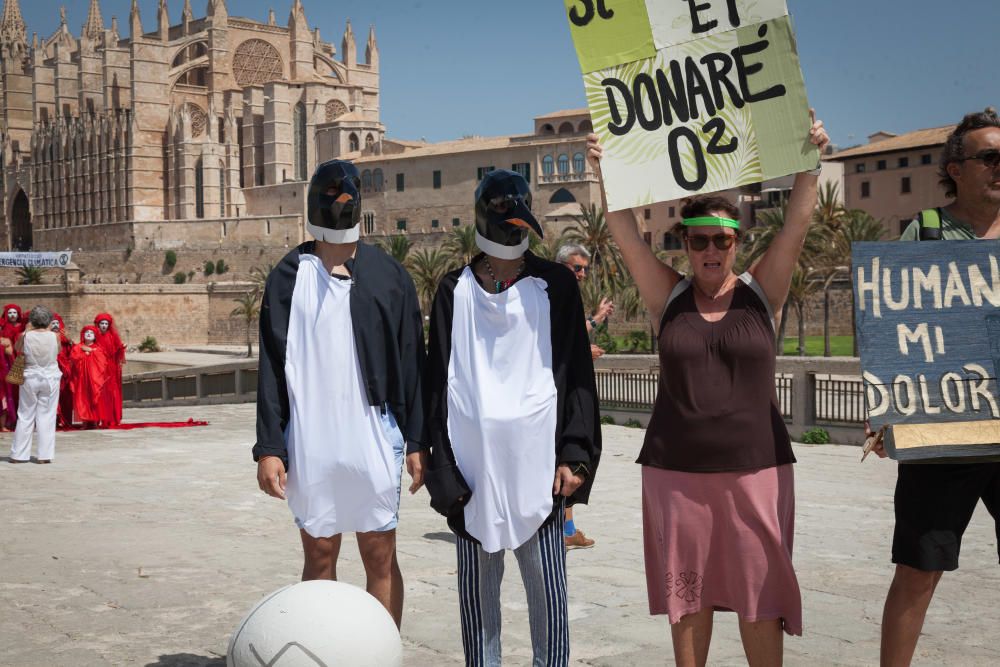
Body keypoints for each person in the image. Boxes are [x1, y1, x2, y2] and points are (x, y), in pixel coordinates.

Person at [587, 111, 829, 666]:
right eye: (699, 242)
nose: (711, 250)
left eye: (722, 239)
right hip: (676, 473)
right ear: (686, 245)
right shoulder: (666, 296)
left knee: (760, 598)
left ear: (738, 241)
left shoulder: (761, 292)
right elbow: (623, 231)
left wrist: (810, 162)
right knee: (687, 596)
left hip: (758, 469)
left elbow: (795, 224)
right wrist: (606, 172)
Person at [422, 169, 601, 666]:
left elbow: (577, 376)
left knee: (549, 600)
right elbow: (437, 382)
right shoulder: (451, 290)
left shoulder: (557, 285)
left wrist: (574, 453)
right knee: (478, 610)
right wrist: (441, 468)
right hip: (471, 476)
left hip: (539, 475)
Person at [254, 159, 426, 628]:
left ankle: (383, 653)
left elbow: (412, 362)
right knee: (321, 554)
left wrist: (416, 441)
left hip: (372, 432)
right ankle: (320, 652)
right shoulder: (287, 277)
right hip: (311, 438)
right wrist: (269, 448)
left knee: (379, 555)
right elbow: (271, 366)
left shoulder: (389, 277)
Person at [872, 108, 1000, 667]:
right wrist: (889, 409)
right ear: (957, 167)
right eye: (991, 157)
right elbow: (892, 325)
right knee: (920, 570)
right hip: (947, 429)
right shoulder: (923, 231)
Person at [555, 242, 614, 551]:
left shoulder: (565, 294)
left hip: (571, 388)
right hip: (562, 394)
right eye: (576, 268)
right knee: (569, 456)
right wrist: (583, 350)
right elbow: (558, 340)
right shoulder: (553, 294)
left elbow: (572, 332)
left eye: (584, 270)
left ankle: (567, 527)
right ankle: (563, 529)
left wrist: (597, 319)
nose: (581, 274)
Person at [8, 306, 62, 464]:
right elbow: (57, 352)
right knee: (47, 416)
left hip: (30, 376)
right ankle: (44, 456)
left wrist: (26, 331)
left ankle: (18, 454)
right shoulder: (55, 336)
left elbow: (17, 349)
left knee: (25, 415)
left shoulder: (24, 335)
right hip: (50, 377)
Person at [70, 326, 111, 429]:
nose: (88, 334)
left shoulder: (99, 349)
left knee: (95, 399)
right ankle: (84, 421)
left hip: (94, 379)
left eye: (91, 333)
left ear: (95, 336)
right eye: (86, 332)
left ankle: (95, 421)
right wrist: (84, 355)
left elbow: (103, 363)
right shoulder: (77, 347)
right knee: (83, 399)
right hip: (82, 378)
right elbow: (73, 359)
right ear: (83, 335)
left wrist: (91, 351)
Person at [93, 313, 125, 427]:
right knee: (99, 392)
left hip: (110, 368)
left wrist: (121, 349)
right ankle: (97, 418)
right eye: (102, 323)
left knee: (111, 392)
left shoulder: (112, 336)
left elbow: (117, 351)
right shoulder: (93, 336)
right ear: (98, 324)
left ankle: (111, 417)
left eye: (106, 323)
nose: (104, 326)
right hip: (98, 368)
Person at [0, 303, 24, 430]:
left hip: (20, 360)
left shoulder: (22, 328)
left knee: (21, 391)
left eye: (15, 312)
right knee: (10, 391)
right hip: (8, 361)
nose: (12, 315)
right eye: (10, 313)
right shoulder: (3, 328)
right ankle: (10, 419)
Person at [50, 313, 75, 428]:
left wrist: (69, 341)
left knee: (65, 394)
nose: (55, 326)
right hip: (51, 369)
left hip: (65, 370)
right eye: (53, 323)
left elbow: (73, 352)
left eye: (57, 323)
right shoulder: (46, 337)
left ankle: (66, 419)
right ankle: (54, 420)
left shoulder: (66, 338)